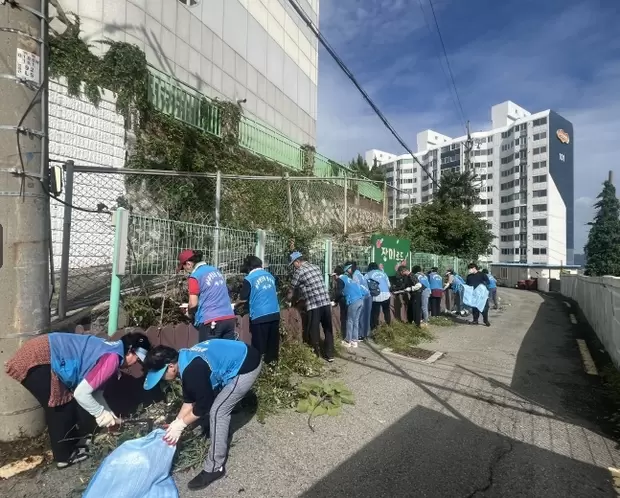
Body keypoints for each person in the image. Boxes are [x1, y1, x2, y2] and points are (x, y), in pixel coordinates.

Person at [5, 331, 151, 468]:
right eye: (137, 360)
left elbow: (96, 393)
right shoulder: (112, 358)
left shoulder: (111, 351)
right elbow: (81, 394)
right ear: (130, 351)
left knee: (64, 404)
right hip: (40, 357)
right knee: (61, 407)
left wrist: (110, 416)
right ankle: (63, 458)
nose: (135, 364)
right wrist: (101, 415)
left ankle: (69, 448)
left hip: (43, 352)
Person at [143, 339, 262, 491]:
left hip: (247, 365)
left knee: (218, 412)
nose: (162, 381)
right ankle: (218, 431)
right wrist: (176, 422)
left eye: (160, 376)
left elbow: (204, 406)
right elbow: (189, 401)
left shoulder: (192, 371)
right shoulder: (184, 359)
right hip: (239, 355)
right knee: (210, 401)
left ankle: (214, 468)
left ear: (171, 367)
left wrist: (182, 425)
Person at [178, 249, 236, 342]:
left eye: (183, 267)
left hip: (211, 321)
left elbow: (193, 304)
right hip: (229, 318)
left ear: (188, 264)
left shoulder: (195, 276)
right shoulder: (215, 270)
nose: (184, 271)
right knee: (227, 354)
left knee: (207, 355)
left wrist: (188, 312)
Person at [288, 252, 335, 362]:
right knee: (328, 328)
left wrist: (288, 300)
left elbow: (292, 289)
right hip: (326, 302)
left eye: (293, 264)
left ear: (297, 262)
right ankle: (330, 354)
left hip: (314, 304)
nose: (294, 267)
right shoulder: (316, 267)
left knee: (313, 330)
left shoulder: (299, 271)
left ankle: (316, 355)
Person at [237, 255, 281, 363]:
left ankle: (258, 369)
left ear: (249, 268)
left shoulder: (249, 279)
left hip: (259, 315)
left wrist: (235, 305)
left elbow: (242, 299)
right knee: (272, 345)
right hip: (275, 313)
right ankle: (272, 367)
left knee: (259, 347)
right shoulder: (270, 276)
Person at [332, 265, 368, 347]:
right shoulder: (348, 278)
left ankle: (348, 341)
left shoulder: (340, 280)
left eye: (334, 276)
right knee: (355, 320)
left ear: (336, 275)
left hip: (353, 301)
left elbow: (339, 293)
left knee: (350, 321)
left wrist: (335, 301)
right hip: (360, 300)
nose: (334, 278)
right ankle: (354, 341)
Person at [344, 260, 372, 341]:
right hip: (368, 296)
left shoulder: (355, 276)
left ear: (350, 268)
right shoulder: (359, 273)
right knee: (365, 317)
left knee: (358, 318)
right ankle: (365, 334)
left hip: (361, 297)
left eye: (347, 270)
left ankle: (359, 335)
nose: (347, 272)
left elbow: (356, 288)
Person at [366, 262, 392, 330]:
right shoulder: (383, 273)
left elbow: (364, 285)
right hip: (386, 294)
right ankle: (388, 327)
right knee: (386, 311)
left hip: (376, 295)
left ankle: (375, 329)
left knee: (375, 313)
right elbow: (389, 285)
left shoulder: (368, 274)